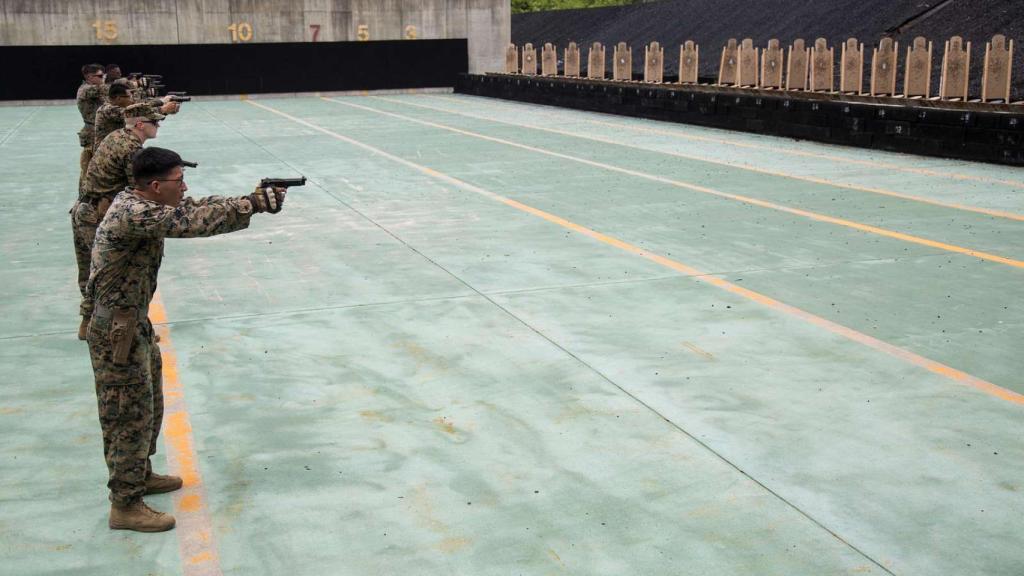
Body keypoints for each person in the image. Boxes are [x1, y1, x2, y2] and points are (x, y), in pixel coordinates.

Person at [85, 147, 287, 532]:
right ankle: (125, 504)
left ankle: (139, 474)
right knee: (126, 414)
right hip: (117, 331)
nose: (185, 187)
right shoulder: (133, 212)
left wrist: (248, 199)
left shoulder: (143, 202)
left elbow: (193, 206)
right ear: (156, 185)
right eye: (179, 181)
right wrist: (252, 207)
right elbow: (190, 220)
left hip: (131, 324)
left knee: (147, 407)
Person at [72, 103, 163, 340]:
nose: (159, 126)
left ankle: (86, 325)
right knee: (116, 277)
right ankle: (127, 329)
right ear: (140, 125)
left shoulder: (116, 136)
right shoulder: (132, 149)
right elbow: (140, 190)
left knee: (90, 273)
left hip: (84, 209)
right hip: (97, 216)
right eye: (155, 122)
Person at [76, 64, 108, 182]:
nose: (102, 78)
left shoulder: (95, 89)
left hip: (98, 132)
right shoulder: (86, 89)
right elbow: (106, 89)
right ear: (89, 77)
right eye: (100, 76)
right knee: (90, 170)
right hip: (92, 134)